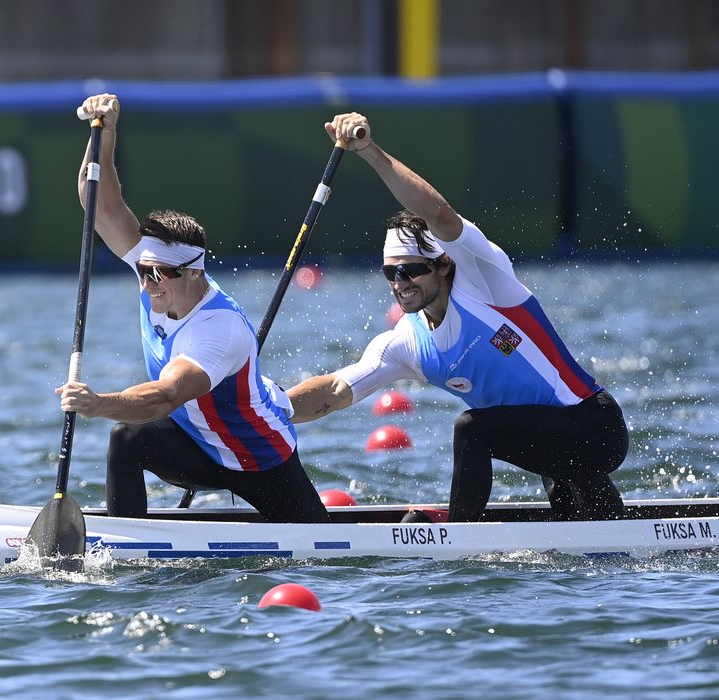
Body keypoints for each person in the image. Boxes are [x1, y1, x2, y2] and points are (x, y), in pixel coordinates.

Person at [287, 111, 629, 523]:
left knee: (472, 428)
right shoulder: (405, 343)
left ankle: (457, 535)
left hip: (593, 425)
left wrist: (368, 152)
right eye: (389, 272)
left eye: (411, 269)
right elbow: (336, 390)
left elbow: (439, 214)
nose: (400, 282)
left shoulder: (485, 281)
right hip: (548, 445)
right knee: (593, 535)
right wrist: (260, 412)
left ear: (444, 265)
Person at [57, 94, 330, 524]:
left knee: (319, 542)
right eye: (142, 271)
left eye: (157, 275)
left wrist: (96, 403)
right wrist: (105, 133)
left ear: (193, 274)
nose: (146, 283)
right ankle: (129, 546)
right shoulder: (155, 269)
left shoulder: (217, 329)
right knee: (126, 439)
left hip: (256, 459)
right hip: (194, 444)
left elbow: (165, 396)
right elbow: (101, 205)